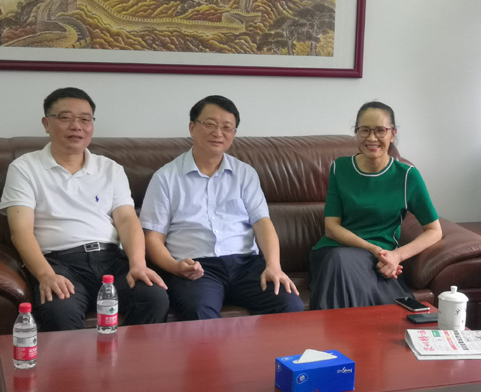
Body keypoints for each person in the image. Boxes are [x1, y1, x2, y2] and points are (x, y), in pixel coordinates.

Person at [0, 87, 169, 331]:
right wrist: (46, 275)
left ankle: (131, 357)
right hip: (59, 263)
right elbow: (21, 231)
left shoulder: (110, 168)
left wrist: (138, 264)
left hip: (111, 260)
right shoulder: (24, 168)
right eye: (65, 117)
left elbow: (127, 220)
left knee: (153, 298)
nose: (76, 126)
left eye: (85, 119)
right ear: (46, 124)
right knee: (59, 311)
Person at [139, 95, 303, 320]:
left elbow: (263, 223)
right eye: (210, 124)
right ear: (192, 127)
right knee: (199, 313)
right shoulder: (166, 177)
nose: (218, 133)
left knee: (290, 304)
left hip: (246, 265)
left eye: (227, 127)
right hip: (198, 268)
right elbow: (152, 239)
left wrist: (274, 266)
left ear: (233, 134)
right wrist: (175, 267)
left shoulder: (245, 174)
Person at [309, 101, 442, 310]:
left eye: (380, 130)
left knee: (355, 270)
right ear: (356, 132)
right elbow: (331, 228)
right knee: (340, 260)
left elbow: (434, 231)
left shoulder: (407, 176)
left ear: (392, 134)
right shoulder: (340, 168)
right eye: (364, 130)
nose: (372, 138)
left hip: (381, 260)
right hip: (335, 253)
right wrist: (372, 248)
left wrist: (397, 255)